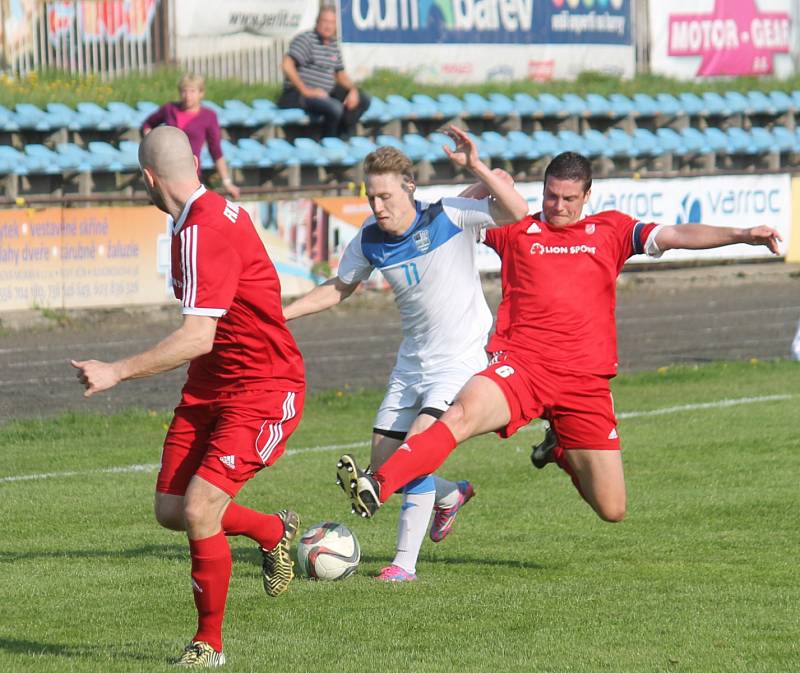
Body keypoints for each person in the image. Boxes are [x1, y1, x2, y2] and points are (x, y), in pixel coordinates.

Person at [336, 151, 782, 525]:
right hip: (521, 369)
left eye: (570, 198)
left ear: (587, 196)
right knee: (461, 414)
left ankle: (560, 451)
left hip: (584, 383)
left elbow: (678, 233)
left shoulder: (611, 230)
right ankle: (380, 483)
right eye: (551, 195)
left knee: (612, 509)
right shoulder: (517, 228)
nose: (559, 206)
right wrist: (476, 171)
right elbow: (442, 221)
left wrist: (743, 235)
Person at [71, 126, 304, 667]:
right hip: (210, 387)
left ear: (149, 179)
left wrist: (116, 371)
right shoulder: (197, 220)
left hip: (263, 388)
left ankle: (209, 644)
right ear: (194, 163)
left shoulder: (202, 228)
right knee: (172, 510)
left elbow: (198, 335)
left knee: (201, 508)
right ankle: (273, 530)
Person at [284, 128, 528, 581]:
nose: (378, 206)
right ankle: (450, 494)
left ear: (409, 188)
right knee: (383, 472)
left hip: (460, 359)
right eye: (370, 197)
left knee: (415, 449)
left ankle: (403, 566)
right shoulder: (369, 239)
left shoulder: (449, 216)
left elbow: (517, 211)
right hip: (411, 363)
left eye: (385, 196)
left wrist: (475, 167)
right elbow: (340, 287)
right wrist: (283, 315)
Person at [142, 72, 241, 200]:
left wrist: (227, 182)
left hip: (191, 175)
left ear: (201, 93)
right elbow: (148, 124)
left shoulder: (209, 116)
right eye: (184, 91)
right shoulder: (169, 109)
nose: (187, 96)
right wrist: (151, 142)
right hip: (165, 173)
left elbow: (215, 151)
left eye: (192, 91)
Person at [278, 5, 371, 139]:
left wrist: (353, 90)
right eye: (325, 21)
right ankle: (329, 142)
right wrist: (306, 91)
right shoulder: (306, 39)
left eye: (332, 22)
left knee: (363, 99)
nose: (328, 26)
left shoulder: (333, 45)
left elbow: (340, 75)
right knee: (334, 108)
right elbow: (286, 65)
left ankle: (343, 134)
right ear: (317, 22)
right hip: (299, 94)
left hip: (324, 93)